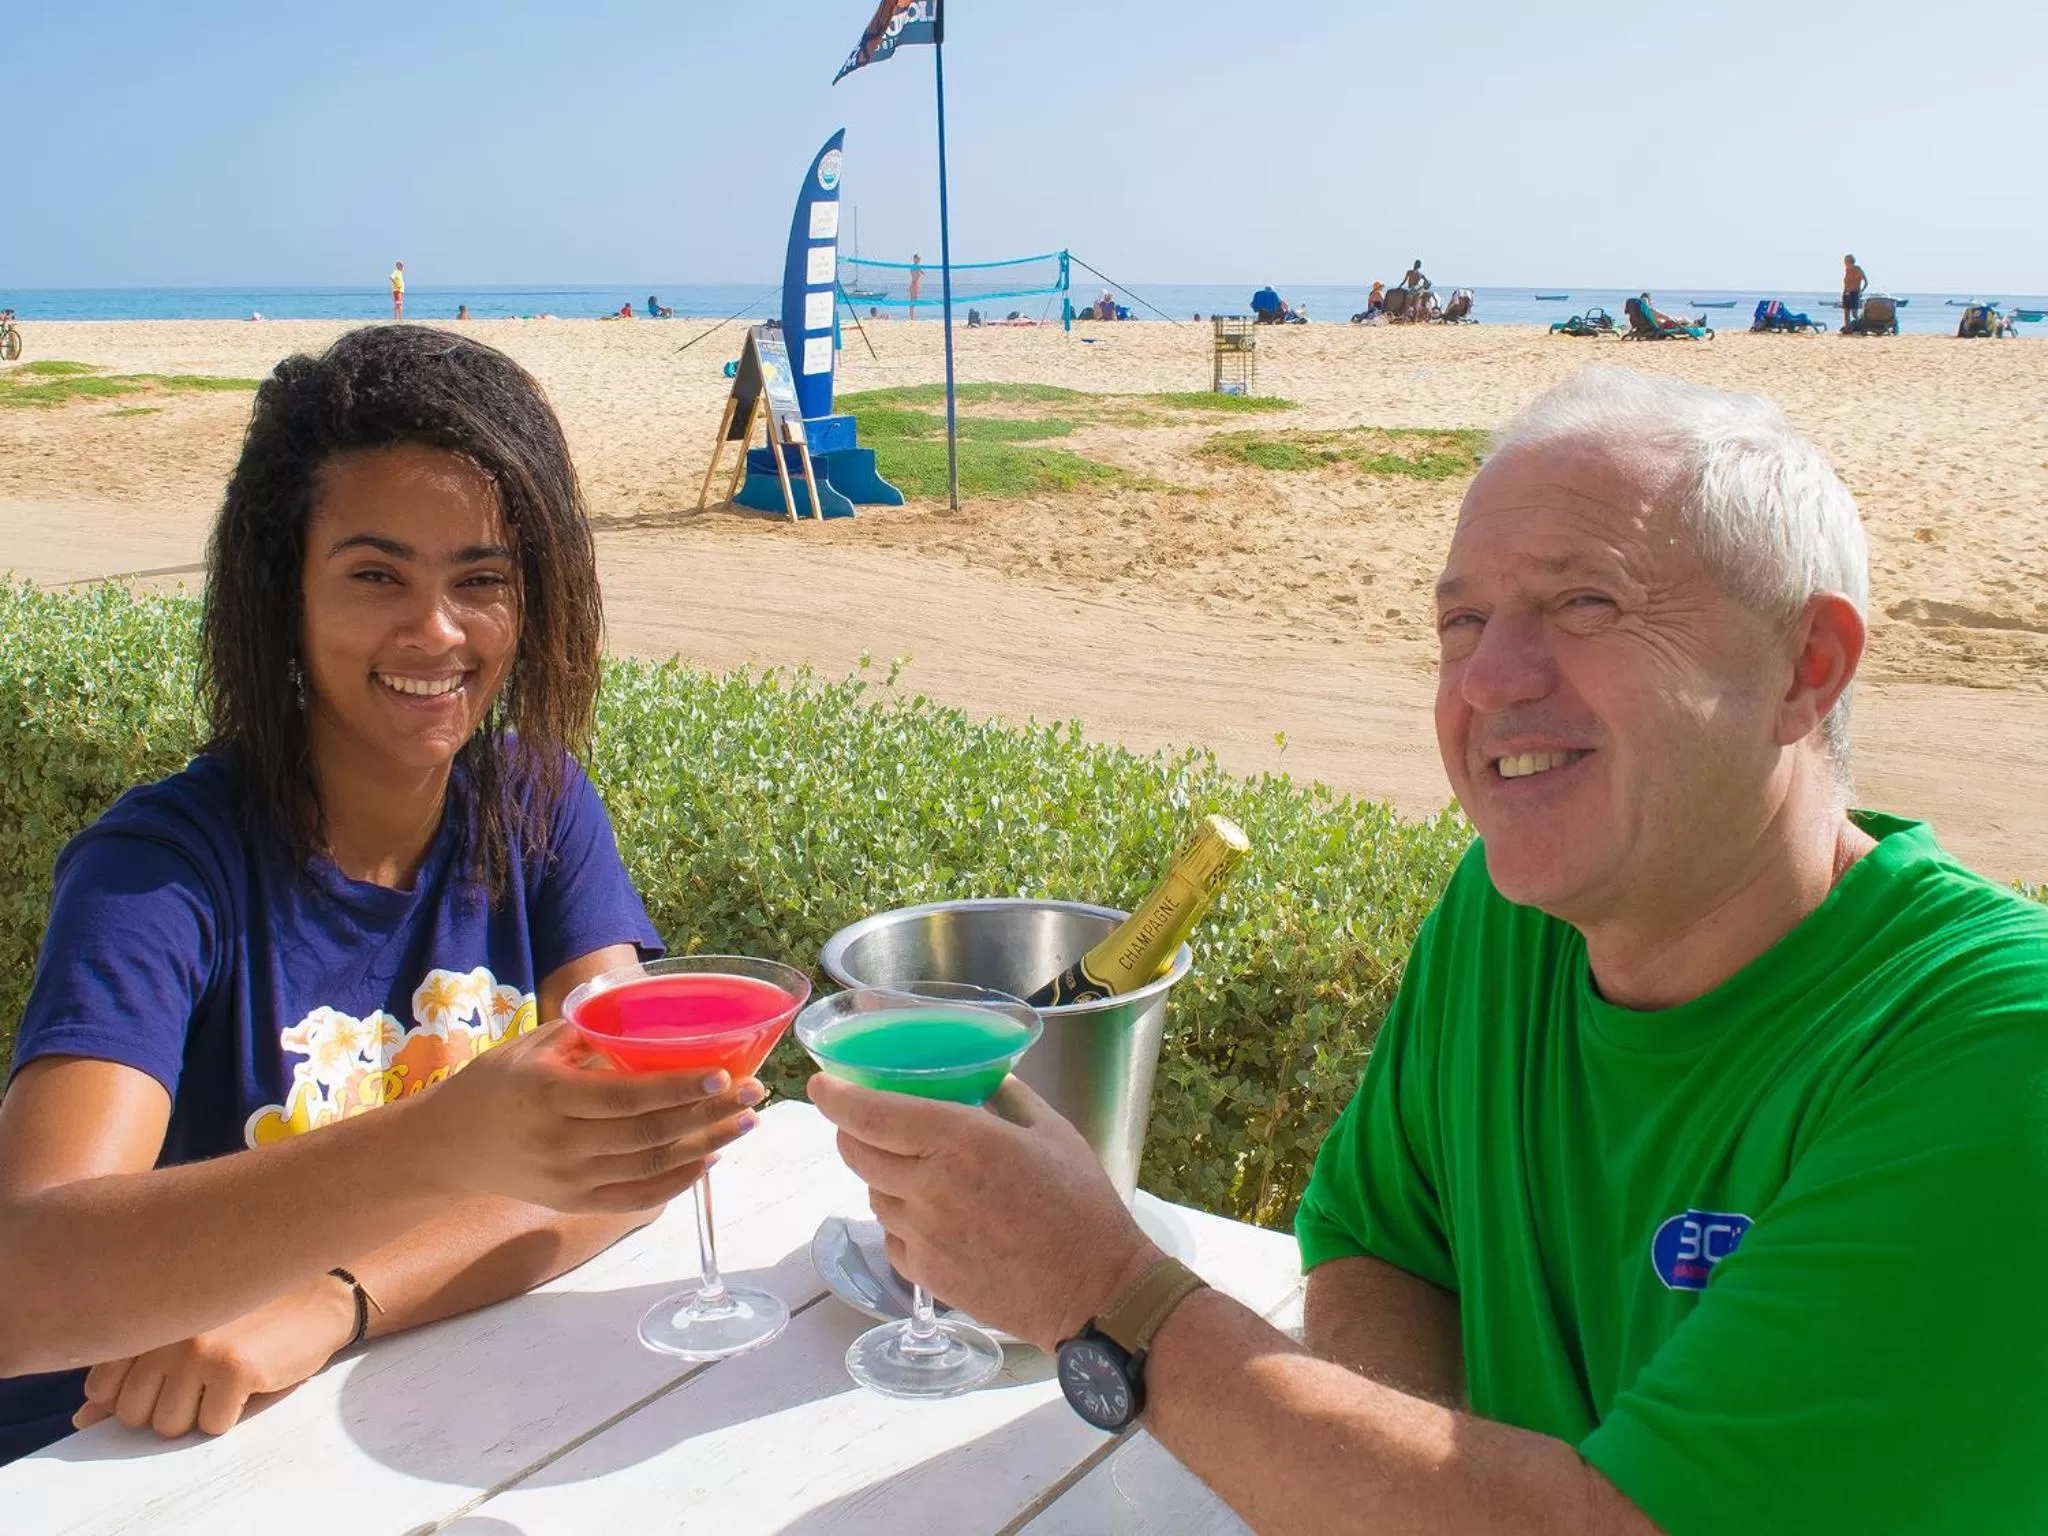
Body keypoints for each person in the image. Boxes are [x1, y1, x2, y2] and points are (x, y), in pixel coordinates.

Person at [807, 366, 2048, 1533]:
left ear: (1804, 667)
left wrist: (1108, 1293)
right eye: (1460, 621)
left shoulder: (1989, 1046)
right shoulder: (1509, 916)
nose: (1491, 679)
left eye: (1584, 601)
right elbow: (1381, 1244)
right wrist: (1405, 1492)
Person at [0, 325, 766, 1463]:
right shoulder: (161, 871)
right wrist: (440, 1145)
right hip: (114, 1458)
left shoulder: (535, 805)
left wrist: (330, 1302)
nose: (436, 631)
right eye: (374, 575)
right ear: (284, 596)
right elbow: (26, 1283)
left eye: (481, 581)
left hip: (404, 1415)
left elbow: (633, 1159)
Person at [1842, 254, 1868, 328]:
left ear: (1850, 261)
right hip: (1846, 292)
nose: (1844, 262)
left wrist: (1861, 291)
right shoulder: (1847, 269)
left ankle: (1863, 326)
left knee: (1854, 314)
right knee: (1846, 313)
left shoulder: (1857, 269)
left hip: (1854, 292)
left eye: (1846, 260)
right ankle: (1848, 328)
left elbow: (1866, 282)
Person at [907, 255, 924, 320]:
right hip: (914, 284)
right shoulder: (915, 266)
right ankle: (912, 317)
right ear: (914, 259)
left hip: (915, 284)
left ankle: (912, 317)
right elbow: (920, 274)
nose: (919, 259)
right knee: (913, 301)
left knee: (913, 301)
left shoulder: (916, 266)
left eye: (919, 258)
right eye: (918, 258)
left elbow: (921, 273)